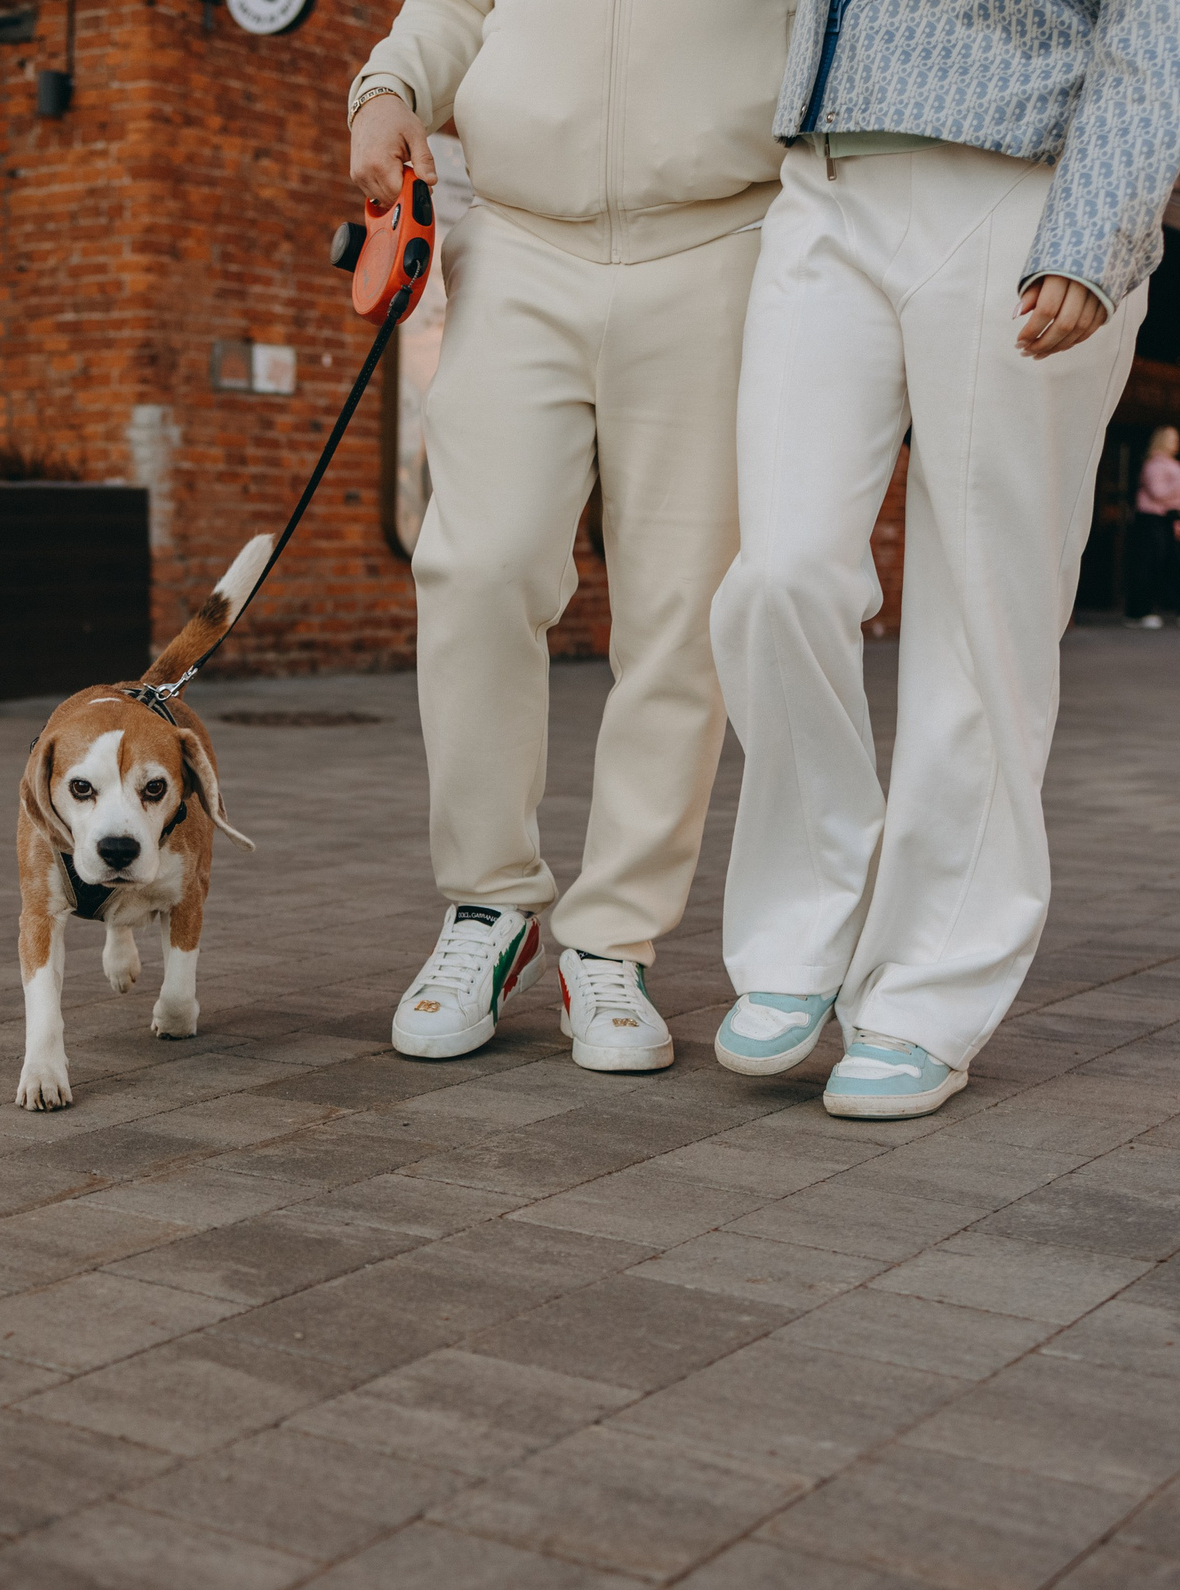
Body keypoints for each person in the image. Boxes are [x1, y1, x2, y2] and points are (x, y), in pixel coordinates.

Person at [707, 0, 1180, 1119]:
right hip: (823, 178)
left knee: (984, 613)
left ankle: (927, 994)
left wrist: (1094, 232)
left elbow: (1172, 23)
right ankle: (811, 914)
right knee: (777, 574)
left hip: (1022, 185)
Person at [349, 0, 792, 1072]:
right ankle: (488, 909)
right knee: (476, 564)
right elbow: (449, 9)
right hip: (518, 240)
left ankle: (612, 939)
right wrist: (386, 92)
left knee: (682, 611)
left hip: (720, 238)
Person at [1123, 426, 1180, 630]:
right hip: (1150, 519)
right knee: (1149, 565)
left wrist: (1178, 524)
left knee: (1172, 563)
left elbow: (1178, 501)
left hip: (1167, 520)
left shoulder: (1174, 465)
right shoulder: (1154, 463)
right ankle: (1139, 612)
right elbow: (1158, 493)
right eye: (1171, 438)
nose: (1175, 442)